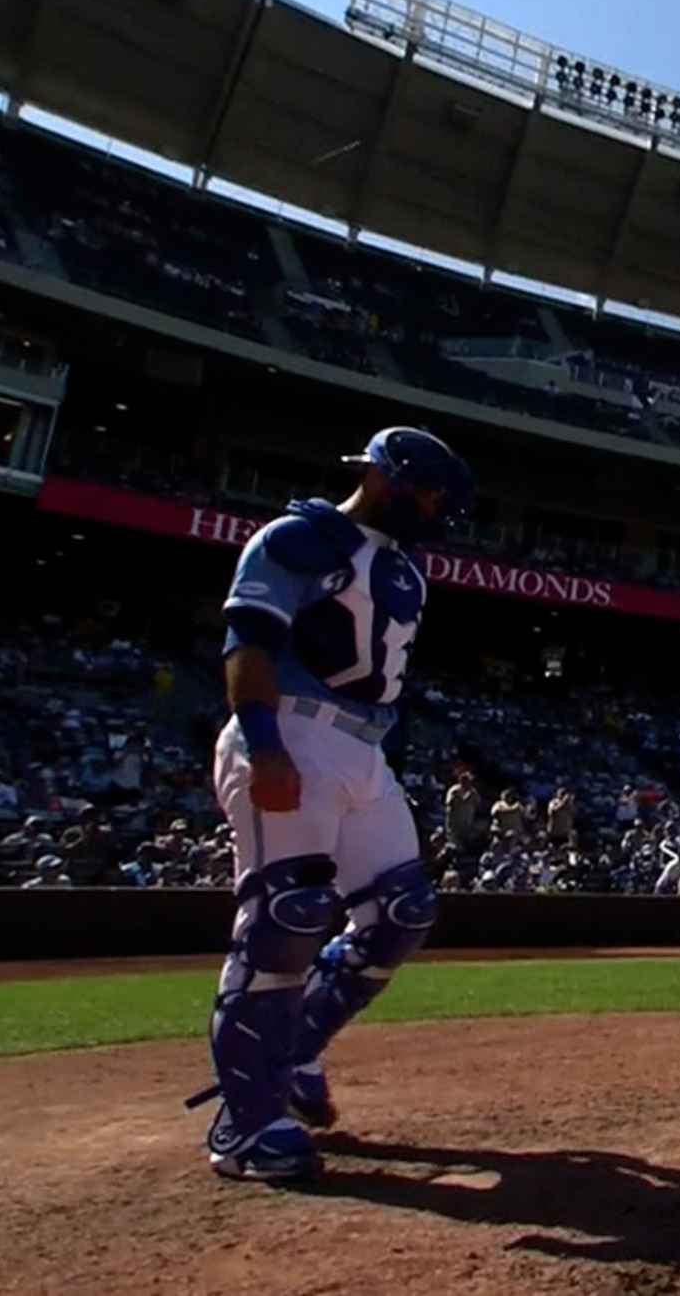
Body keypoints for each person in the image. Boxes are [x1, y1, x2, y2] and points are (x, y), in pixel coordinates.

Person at [192, 426, 473, 1182]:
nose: (437, 508)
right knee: (287, 916)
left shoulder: (408, 571)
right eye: (429, 491)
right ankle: (247, 1123)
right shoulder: (300, 538)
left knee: (402, 911)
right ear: (386, 478)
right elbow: (247, 645)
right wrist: (263, 742)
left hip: (363, 751)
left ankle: (297, 1054)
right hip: (288, 727)